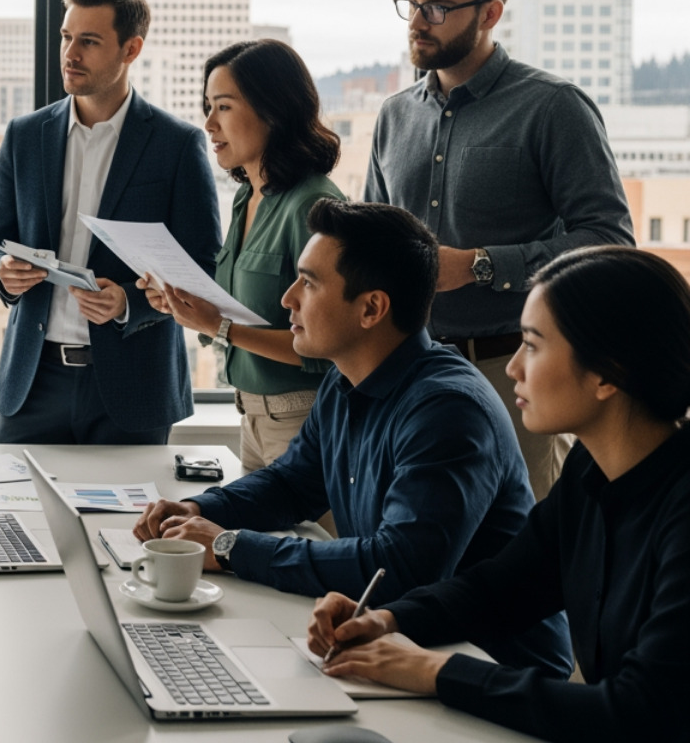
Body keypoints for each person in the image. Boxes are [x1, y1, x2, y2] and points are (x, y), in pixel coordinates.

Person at [134, 199, 571, 676]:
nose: (287, 299)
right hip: (400, 646)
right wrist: (200, 510)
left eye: (309, 282)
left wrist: (230, 546)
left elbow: (399, 569)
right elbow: (292, 483)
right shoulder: (346, 381)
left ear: (371, 309)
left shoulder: (449, 409)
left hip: (489, 669)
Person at [310, 246, 690, 743]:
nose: (512, 368)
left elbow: (639, 711)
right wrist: (388, 619)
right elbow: (503, 586)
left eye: (531, 345)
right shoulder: (590, 469)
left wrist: (432, 672)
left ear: (607, 374)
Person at [367, 0, 634, 500]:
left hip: (514, 373)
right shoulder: (393, 117)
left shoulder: (553, 107)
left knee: (521, 561)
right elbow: (373, 242)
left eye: (437, 9)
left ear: (490, 12)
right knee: (413, 550)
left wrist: (480, 266)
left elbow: (610, 242)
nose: (417, 21)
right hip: (407, 371)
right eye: (411, 5)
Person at [0, 0, 222, 445]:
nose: (71, 53)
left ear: (131, 49)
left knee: (125, 521)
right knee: (14, 514)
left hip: (134, 387)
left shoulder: (177, 145)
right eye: (67, 38)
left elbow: (203, 266)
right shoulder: (25, 136)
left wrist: (129, 301)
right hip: (33, 380)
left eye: (89, 41)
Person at [142, 39, 344, 476]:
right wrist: (185, 308)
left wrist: (219, 326)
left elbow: (328, 348)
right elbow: (235, 315)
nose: (209, 123)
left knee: (307, 543)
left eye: (224, 107)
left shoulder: (313, 205)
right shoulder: (245, 197)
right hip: (251, 419)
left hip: (302, 422)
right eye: (208, 106)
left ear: (273, 110)